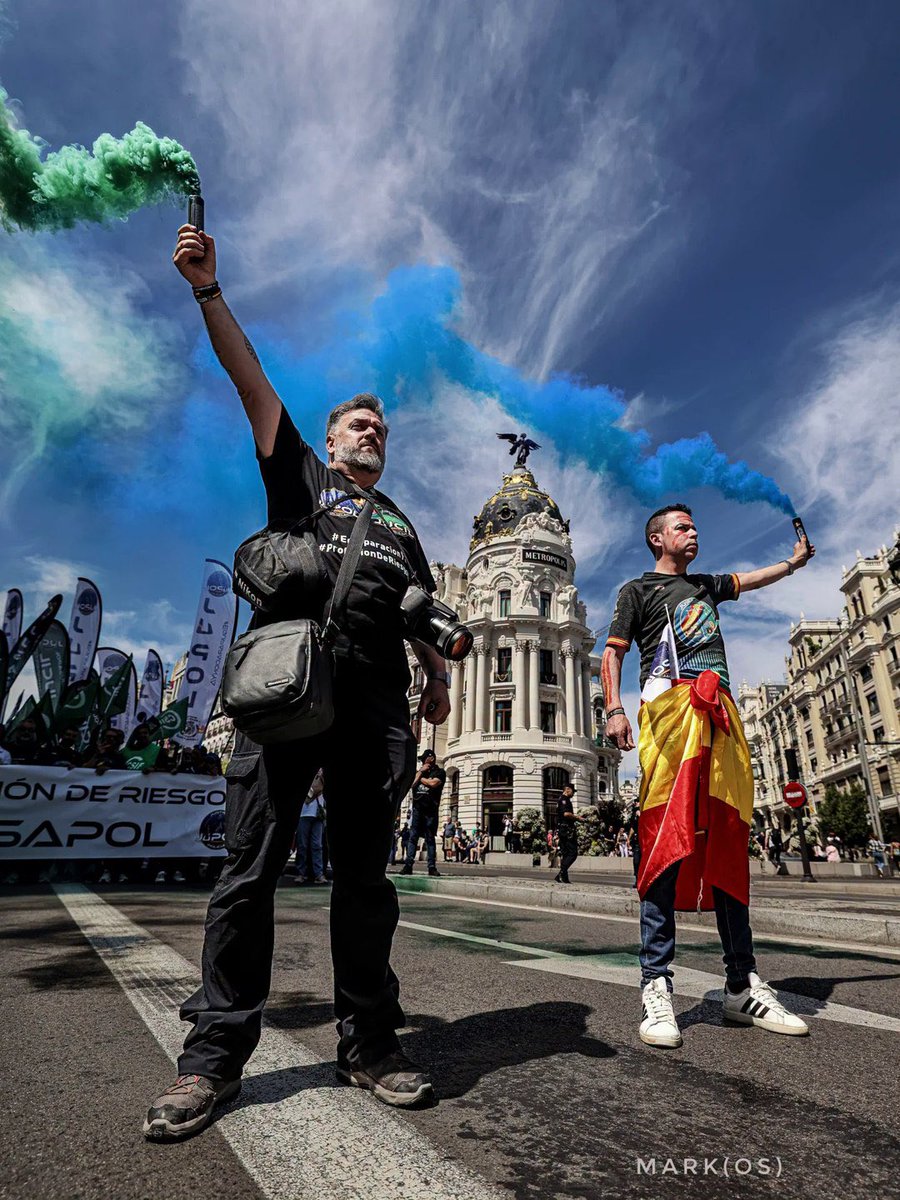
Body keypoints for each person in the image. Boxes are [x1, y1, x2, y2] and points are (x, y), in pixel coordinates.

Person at [144, 221, 452, 1141]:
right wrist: (208, 289)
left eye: (384, 429)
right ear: (328, 436)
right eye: (361, 424)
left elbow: (419, 606)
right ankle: (212, 1061)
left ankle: (369, 1044)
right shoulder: (302, 477)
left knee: (365, 881)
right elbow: (251, 381)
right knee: (249, 874)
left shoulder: (401, 525)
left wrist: (436, 675)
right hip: (287, 695)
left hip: (374, 708)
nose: (375, 433)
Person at [603, 503, 813, 1049]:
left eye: (695, 526)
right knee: (664, 842)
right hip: (671, 718)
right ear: (657, 539)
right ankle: (656, 985)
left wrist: (792, 565)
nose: (693, 532)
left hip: (721, 718)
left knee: (727, 841)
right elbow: (614, 653)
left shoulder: (706, 585)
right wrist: (613, 709)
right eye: (682, 527)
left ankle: (742, 986)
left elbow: (750, 578)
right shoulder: (637, 591)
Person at [400, 750, 446, 877]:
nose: (422, 761)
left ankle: (431, 867)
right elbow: (411, 784)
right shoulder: (419, 772)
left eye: (424, 758)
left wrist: (421, 779)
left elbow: (434, 783)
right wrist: (420, 772)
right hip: (417, 809)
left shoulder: (440, 772)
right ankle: (408, 865)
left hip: (431, 810)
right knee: (413, 837)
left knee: (430, 838)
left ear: (431, 758)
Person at [294, 769, 327, 884]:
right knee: (302, 845)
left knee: (317, 845)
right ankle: (301, 873)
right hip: (304, 812)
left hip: (317, 813)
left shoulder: (322, 775)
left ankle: (318, 873)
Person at [554, 783, 585, 883]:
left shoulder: (562, 799)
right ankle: (562, 873)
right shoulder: (564, 800)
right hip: (566, 830)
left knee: (566, 853)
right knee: (573, 853)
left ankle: (562, 876)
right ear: (567, 790)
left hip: (563, 829)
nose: (573, 794)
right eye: (572, 791)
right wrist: (577, 818)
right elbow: (566, 814)